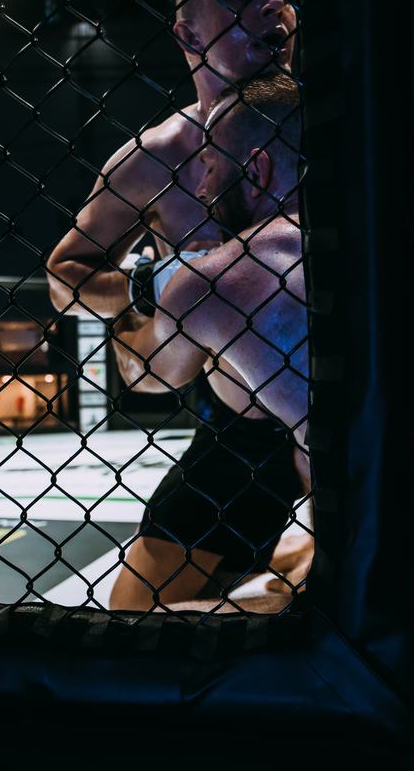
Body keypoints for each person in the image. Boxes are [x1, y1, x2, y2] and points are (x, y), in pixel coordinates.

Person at [44, 0, 310, 609]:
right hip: (241, 433)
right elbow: (65, 277)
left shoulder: (357, 130)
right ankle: (285, 557)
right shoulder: (158, 158)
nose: (275, 5)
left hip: (359, 411)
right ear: (189, 34)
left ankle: (293, 558)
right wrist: (151, 287)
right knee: (133, 616)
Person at [110, 74, 308, 611]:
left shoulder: (218, 277)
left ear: (256, 169)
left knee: (133, 617)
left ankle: (293, 570)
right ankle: (294, 555)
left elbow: (149, 375)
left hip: (262, 448)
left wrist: (137, 297)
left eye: (211, 167)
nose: (200, 189)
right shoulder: (404, 228)